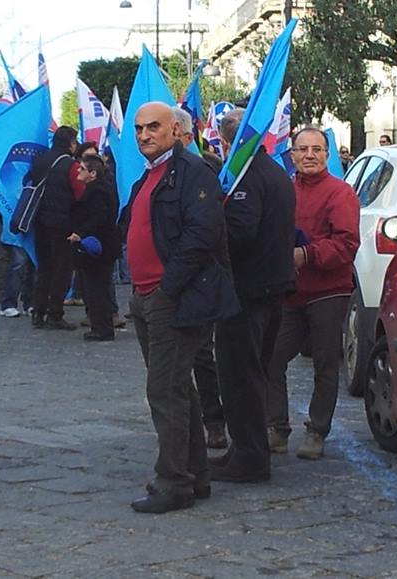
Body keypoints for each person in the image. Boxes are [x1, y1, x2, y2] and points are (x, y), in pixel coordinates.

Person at [121, 102, 239, 514]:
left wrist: (167, 289)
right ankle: (195, 474)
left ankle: (173, 482)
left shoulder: (192, 172)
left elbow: (202, 234)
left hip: (171, 297)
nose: (144, 135)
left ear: (176, 130)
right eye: (138, 129)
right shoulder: (150, 175)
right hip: (148, 295)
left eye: (153, 127)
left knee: (164, 390)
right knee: (177, 387)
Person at [208, 109, 296, 483]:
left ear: (228, 142)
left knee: (239, 377)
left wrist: (210, 230)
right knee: (250, 374)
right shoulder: (274, 171)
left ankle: (250, 457)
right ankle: (244, 449)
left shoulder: (250, 176)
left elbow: (241, 230)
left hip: (248, 291)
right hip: (269, 288)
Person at [265, 127, 359, 460]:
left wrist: (307, 255)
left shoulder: (340, 193)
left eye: (316, 149)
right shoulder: (285, 191)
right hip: (290, 293)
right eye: (302, 149)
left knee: (324, 365)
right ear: (291, 155)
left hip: (328, 292)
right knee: (271, 359)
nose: (309, 155)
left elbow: (346, 244)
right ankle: (277, 428)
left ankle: (317, 431)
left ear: (327, 154)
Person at [171, 106, 226, 449]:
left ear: (188, 136)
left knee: (202, 354)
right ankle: (184, 424)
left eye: (173, 132)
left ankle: (214, 420)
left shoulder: (205, 169)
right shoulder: (153, 172)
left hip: (198, 275)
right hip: (166, 278)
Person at [28, 126, 82, 330]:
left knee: (44, 269)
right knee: (62, 270)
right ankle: (55, 313)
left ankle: (38, 312)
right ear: (70, 143)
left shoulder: (40, 160)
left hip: (40, 221)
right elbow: (79, 194)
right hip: (63, 224)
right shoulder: (71, 165)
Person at [68, 154, 120, 341]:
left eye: (82, 169)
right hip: (99, 246)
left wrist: (81, 233)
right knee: (95, 287)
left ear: (93, 173)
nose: (78, 172)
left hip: (99, 247)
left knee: (97, 288)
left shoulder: (98, 191)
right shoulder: (96, 189)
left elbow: (99, 217)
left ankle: (103, 327)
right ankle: (100, 325)